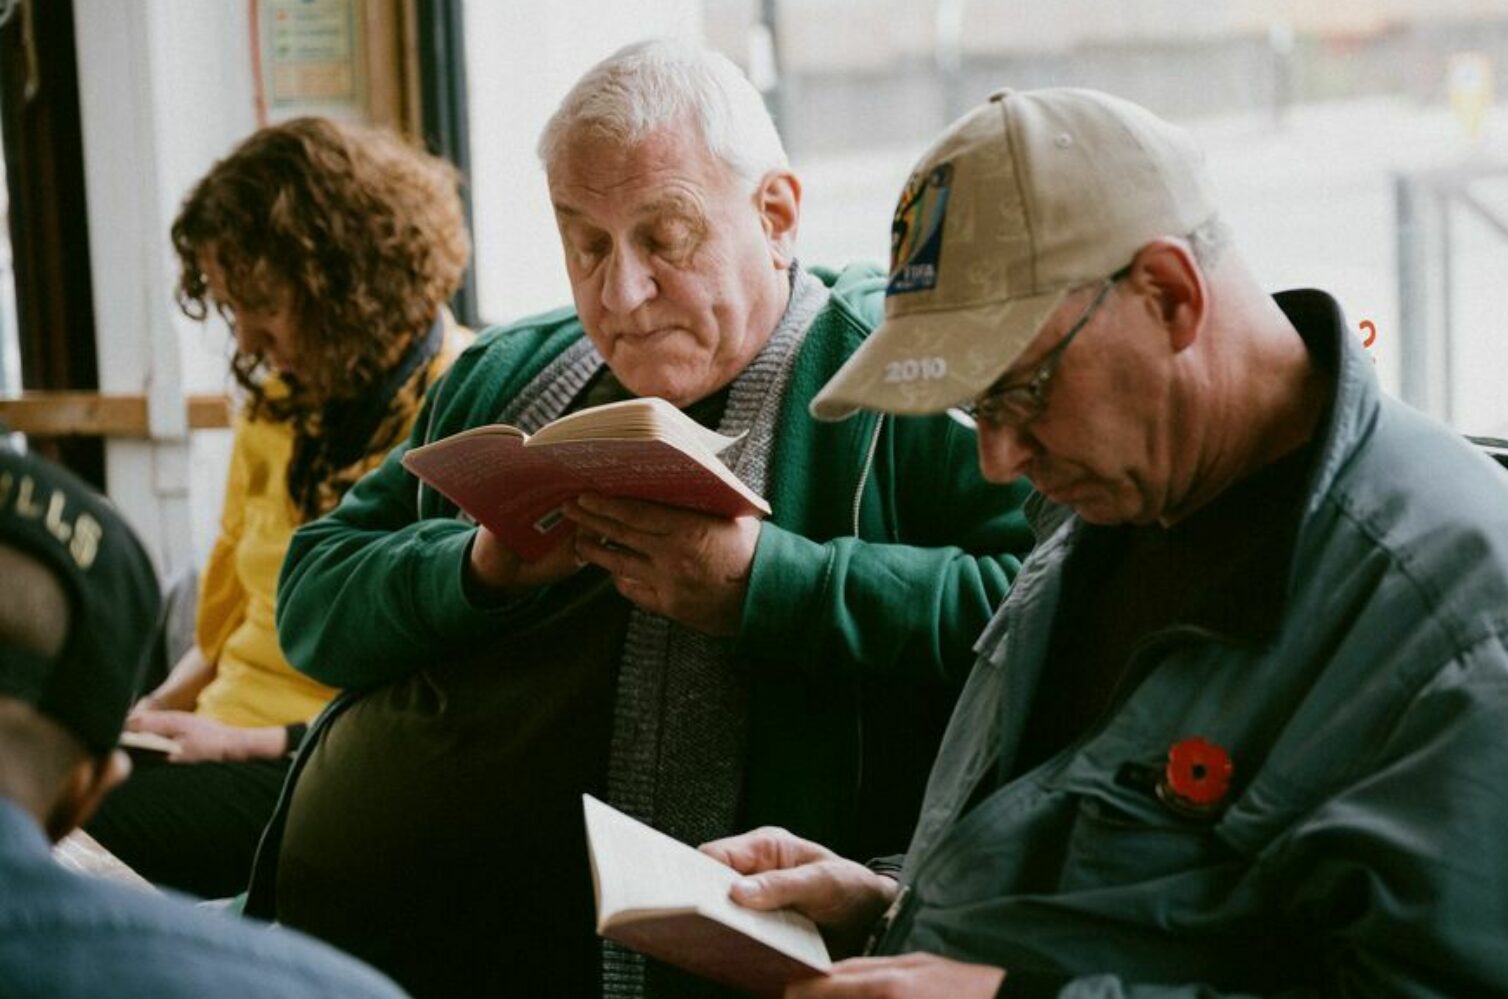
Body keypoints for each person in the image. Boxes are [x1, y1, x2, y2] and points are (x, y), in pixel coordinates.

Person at [704, 86, 1508, 997]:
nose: (998, 458)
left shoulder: (1459, 612)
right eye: (975, 406)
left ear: (1171, 295)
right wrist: (890, 911)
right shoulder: (1109, 508)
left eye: (1020, 391)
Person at [250, 40, 1033, 999]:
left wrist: (767, 581)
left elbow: (1034, 606)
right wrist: (478, 568)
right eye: (586, 245)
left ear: (776, 216)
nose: (618, 294)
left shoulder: (891, 388)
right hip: (351, 945)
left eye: (665, 237)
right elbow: (311, 597)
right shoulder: (506, 374)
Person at [84, 116, 473, 900]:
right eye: (232, 306)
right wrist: (147, 714)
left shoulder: (464, 398)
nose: (248, 338)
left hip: (324, 757)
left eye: (260, 300)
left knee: (61, 824)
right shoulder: (278, 407)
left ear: (343, 273)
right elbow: (232, 624)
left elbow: (446, 692)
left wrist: (240, 742)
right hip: (215, 734)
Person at [0, 447, 410, 998]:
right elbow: (215, 630)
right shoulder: (323, 989)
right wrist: (162, 705)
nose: (250, 356)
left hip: (299, 746)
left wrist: (250, 741)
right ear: (86, 788)